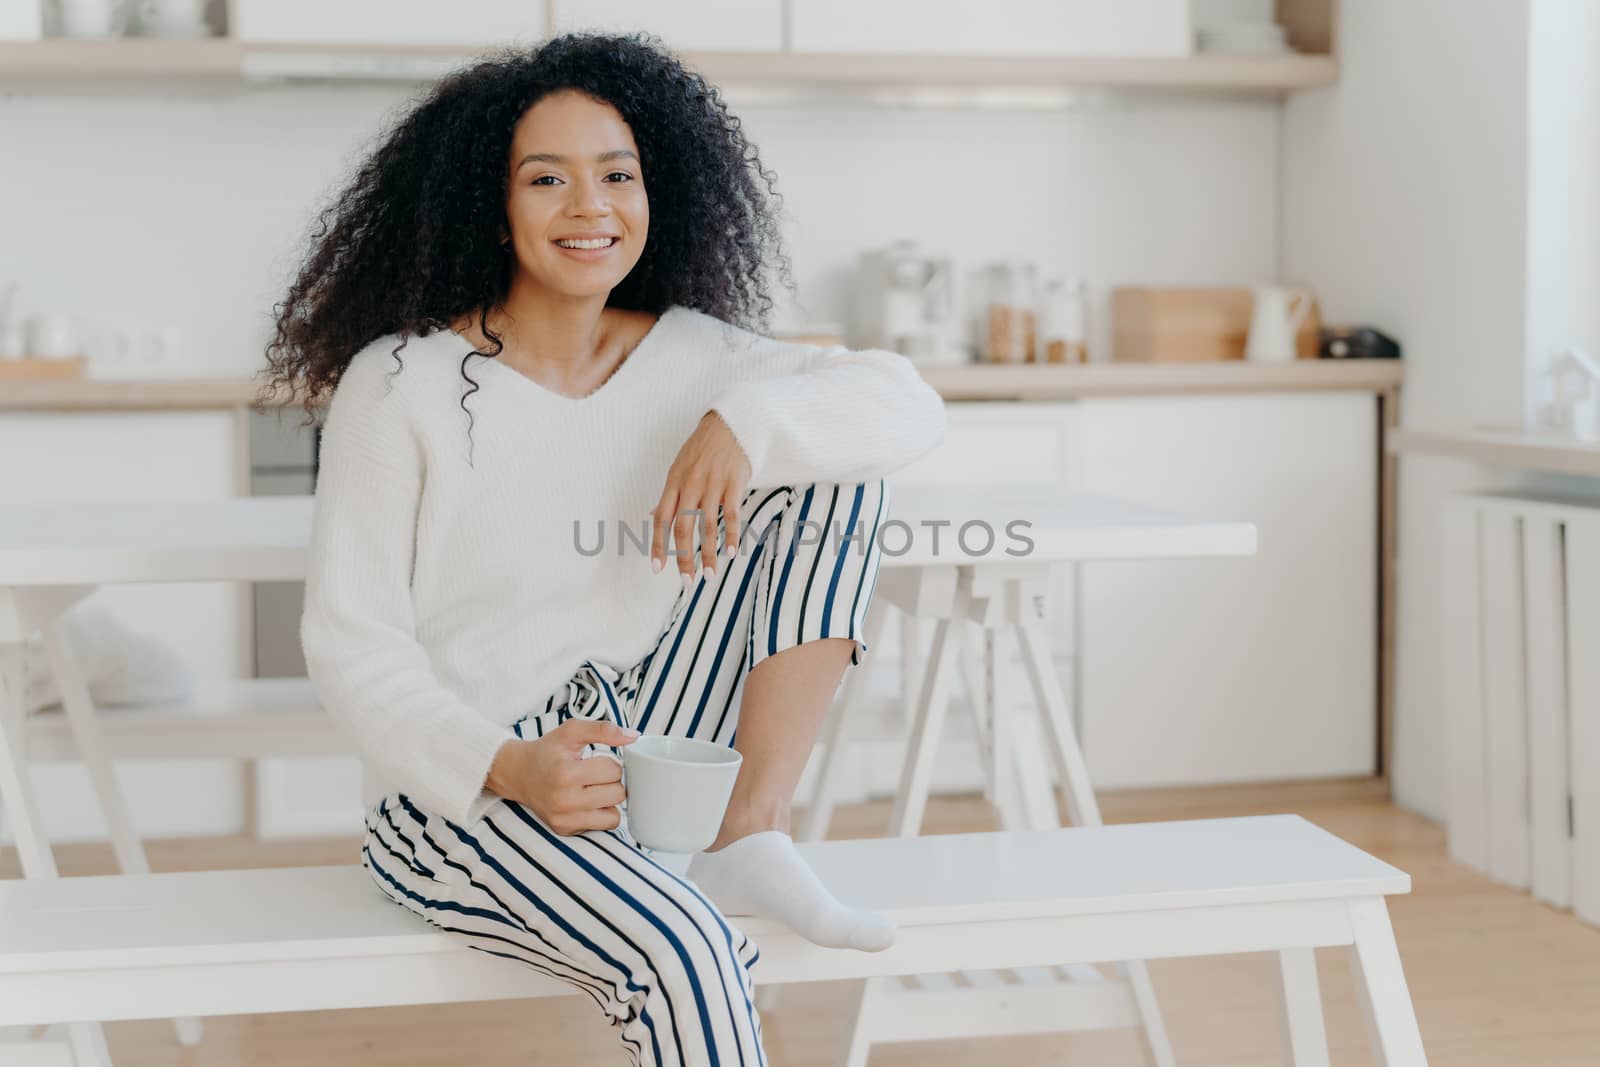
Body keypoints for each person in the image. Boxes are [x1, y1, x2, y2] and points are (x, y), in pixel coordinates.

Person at [263, 31, 946, 1066]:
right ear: (488, 202)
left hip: (647, 753)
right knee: (683, 950)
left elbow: (901, 400)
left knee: (837, 451)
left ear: (657, 188)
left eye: (616, 175)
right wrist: (506, 763)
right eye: (547, 178)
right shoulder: (398, 382)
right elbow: (352, 645)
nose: (590, 207)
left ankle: (746, 827)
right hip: (465, 789)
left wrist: (745, 426)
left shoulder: (700, 354)